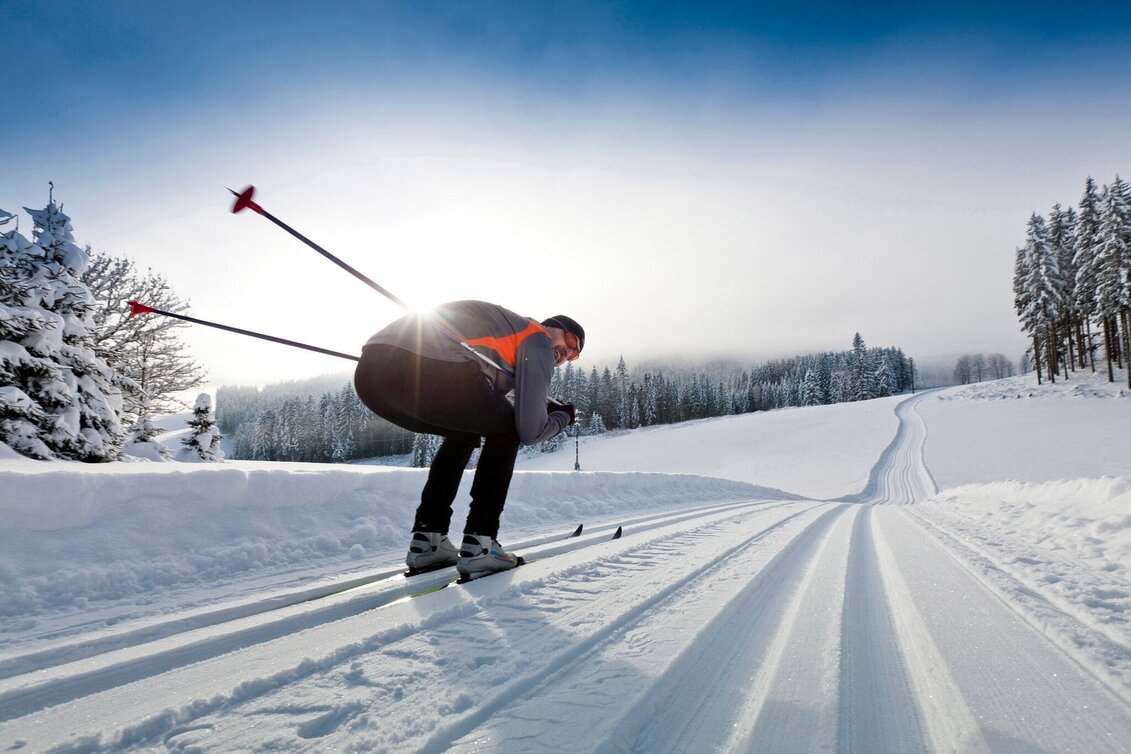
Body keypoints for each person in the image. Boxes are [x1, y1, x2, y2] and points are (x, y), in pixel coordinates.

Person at [354, 300, 585, 579]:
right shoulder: (537, 337)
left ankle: (429, 539)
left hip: (371, 376)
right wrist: (564, 417)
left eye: (574, 355)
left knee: (464, 429)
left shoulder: (507, 338)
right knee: (508, 430)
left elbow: (487, 399)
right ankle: (481, 544)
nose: (566, 353)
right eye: (570, 340)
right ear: (551, 327)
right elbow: (530, 431)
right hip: (432, 366)